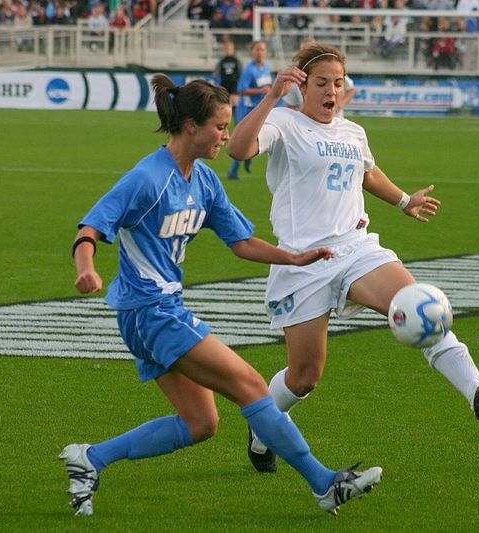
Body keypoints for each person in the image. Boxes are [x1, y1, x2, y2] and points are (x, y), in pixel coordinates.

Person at [59, 74, 382, 517]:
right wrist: (86, 269)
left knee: (201, 423)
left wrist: (295, 258)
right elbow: (90, 228)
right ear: (191, 126)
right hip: (149, 311)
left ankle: (90, 458)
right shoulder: (148, 179)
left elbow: (242, 242)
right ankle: (325, 484)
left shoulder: (205, 181)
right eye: (219, 127)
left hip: (158, 310)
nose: (226, 136)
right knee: (250, 384)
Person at [227, 43, 479, 474]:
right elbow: (238, 149)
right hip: (302, 261)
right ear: (302, 86)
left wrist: (404, 201)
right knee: (304, 376)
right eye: (321, 83)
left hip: (357, 248)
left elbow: (367, 173)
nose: (331, 91)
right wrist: (271, 97)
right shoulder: (284, 122)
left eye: (338, 83)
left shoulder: (352, 131)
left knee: (422, 308)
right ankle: (264, 425)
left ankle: (478, 390)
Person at [228, 40, 272, 180]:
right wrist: (261, 90)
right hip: (246, 110)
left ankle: (248, 159)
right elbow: (241, 90)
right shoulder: (249, 70)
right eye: (257, 49)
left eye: (262, 49)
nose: (260, 52)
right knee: (242, 139)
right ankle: (233, 172)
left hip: (257, 109)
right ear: (252, 52)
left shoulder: (266, 68)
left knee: (254, 138)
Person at [212, 40, 242, 117]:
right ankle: (224, 117)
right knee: (224, 103)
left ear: (233, 50)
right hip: (224, 84)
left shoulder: (236, 61)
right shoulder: (222, 61)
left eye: (230, 49)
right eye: (227, 49)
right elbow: (216, 72)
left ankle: (235, 119)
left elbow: (241, 72)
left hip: (234, 84)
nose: (228, 51)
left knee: (235, 102)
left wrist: (239, 83)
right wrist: (215, 80)